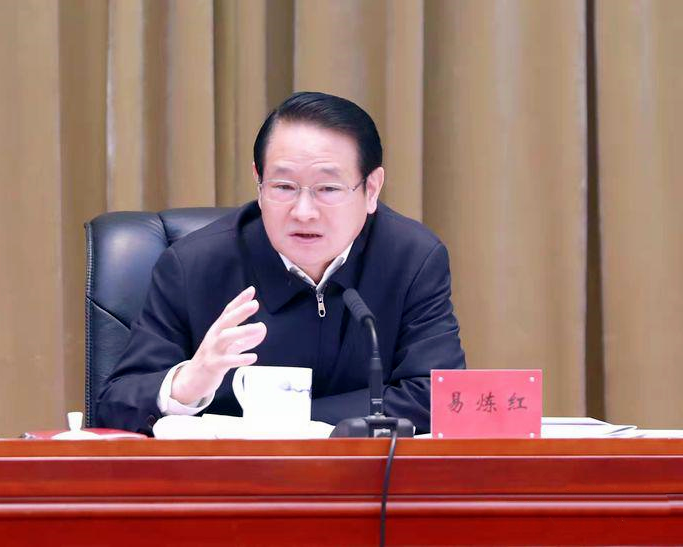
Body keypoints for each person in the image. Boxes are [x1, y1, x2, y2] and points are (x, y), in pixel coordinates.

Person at [96, 91, 466, 435]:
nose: (303, 212)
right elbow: (115, 406)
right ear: (259, 183)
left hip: (367, 478)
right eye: (284, 187)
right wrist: (187, 384)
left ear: (371, 189)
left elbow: (437, 397)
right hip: (234, 478)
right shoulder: (194, 265)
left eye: (328, 189)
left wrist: (290, 423)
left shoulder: (411, 258)